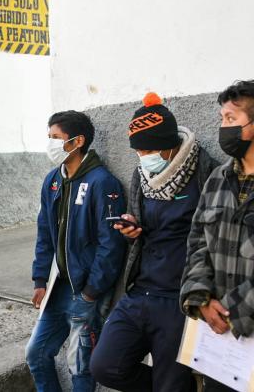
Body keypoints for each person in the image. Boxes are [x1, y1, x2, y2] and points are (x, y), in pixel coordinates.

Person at [89, 92, 217, 392]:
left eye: (148, 149)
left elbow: (216, 237)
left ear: (170, 145)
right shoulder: (142, 176)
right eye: (138, 150)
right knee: (104, 366)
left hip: (179, 298)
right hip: (140, 291)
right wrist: (133, 229)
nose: (143, 156)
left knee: (171, 384)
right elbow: (142, 223)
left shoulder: (206, 174)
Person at [25, 110, 126, 392]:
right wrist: (40, 280)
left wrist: (91, 291)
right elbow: (45, 233)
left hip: (86, 291)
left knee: (80, 366)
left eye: (56, 137)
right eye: (49, 137)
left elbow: (111, 244)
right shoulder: (52, 181)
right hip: (56, 289)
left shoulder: (102, 182)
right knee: (36, 354)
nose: (51, 144)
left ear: (77, 141)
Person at [180, 80, 254, 392]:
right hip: (221, 346)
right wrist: (201, 298)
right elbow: (198, 242)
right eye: (222, 118)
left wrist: (235, 311)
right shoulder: (217, 179)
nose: (224, 127)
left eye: (231, 119)